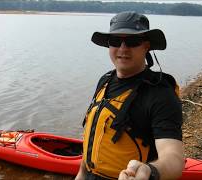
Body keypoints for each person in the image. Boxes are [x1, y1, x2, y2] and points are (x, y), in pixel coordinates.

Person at [76, 11, 184, 180]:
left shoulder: (160, 94)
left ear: (146, 46)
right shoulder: (104, 81)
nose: (123, 48)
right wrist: (81, 174)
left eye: (132, 41)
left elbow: (174, 157)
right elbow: (93, 138)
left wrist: (149, 171)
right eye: (116, 41)